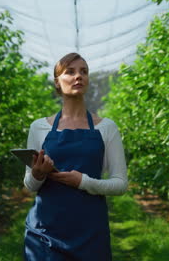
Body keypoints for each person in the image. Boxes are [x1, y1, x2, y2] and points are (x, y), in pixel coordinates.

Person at [23, 52, 128, 260]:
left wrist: (83, 182)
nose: (78, 76)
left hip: (90, 233)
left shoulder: (106, 128)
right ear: (57, 82)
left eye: (84, 72)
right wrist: (37, 174)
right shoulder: (39, 127)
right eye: (70, 72)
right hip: (44, 232)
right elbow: (29, 185)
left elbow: (120, 184)